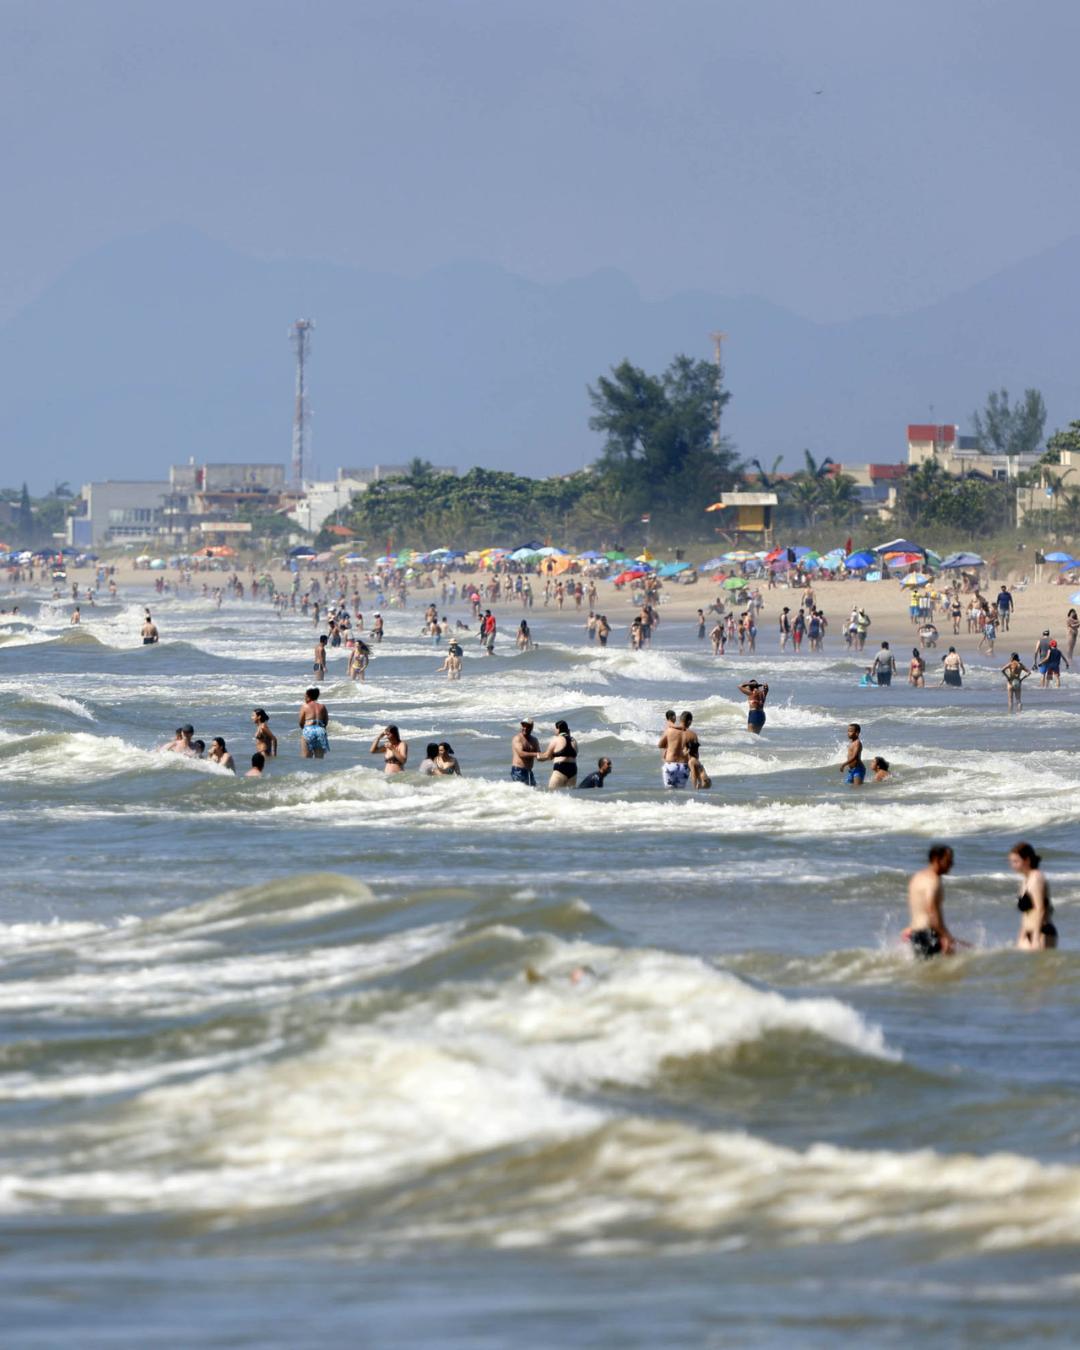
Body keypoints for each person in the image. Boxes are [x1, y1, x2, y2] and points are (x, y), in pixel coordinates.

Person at [903, 844, 958, 958]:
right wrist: (945, 936)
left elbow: (917, 906)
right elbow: (931, 910)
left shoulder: (917, 877)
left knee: (925, 971)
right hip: (929, 933)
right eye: (948, 861)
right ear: (936, 859)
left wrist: (912, 927)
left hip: (915, 933)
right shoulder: (933, 881)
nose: (951, 865)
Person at [1010, 841, 1058, 950]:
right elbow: (1027, 913)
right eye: (1011, 862)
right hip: (1028, 933)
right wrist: (1021, 936)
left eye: (1016, 861)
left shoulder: (1037, 878)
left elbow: (1040, 909)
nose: (1013, 865)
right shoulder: (1026, 880)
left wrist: (1036, 937)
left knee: (1043, 967)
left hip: (1041, 933)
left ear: (1027, 860)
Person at [537, 719, 577, 789]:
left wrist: (538, 756)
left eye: (555, 729)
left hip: (560, 768)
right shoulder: (574, 741)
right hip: (573, 769)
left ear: (558, 729)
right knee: (570, 795)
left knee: (552, 792)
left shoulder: (556, 739)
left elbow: (546, 756)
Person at [657, 713, 691, 789]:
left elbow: (660, 745)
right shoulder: (691, 734)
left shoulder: (669, 730)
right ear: (689, 722)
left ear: (679, 720)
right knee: (680, 793)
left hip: (670, 764)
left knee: (669, 792)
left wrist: (670, 744)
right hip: (684, 766)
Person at [298, 687, 329, 759]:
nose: (304, 698)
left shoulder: (304, 706)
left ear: (308, 696)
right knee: (319, 758)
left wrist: (304, 728)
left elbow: (301, 722)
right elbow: (326, 721)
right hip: (320, 730)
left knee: (306, 757)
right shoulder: (322, 706)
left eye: (305, 696)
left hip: (308, 730)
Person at [511, 718, 540, 786]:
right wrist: (536, 754)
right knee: (521, 793)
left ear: (532, 727)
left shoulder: (534, 740)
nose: (525, 728)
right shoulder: (517, 738)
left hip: (529, 771)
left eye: (528, 726)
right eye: (523, 726)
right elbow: (521, 754)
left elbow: (539, 756)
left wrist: (551, 755)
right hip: (518, 770)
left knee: (533, 791)